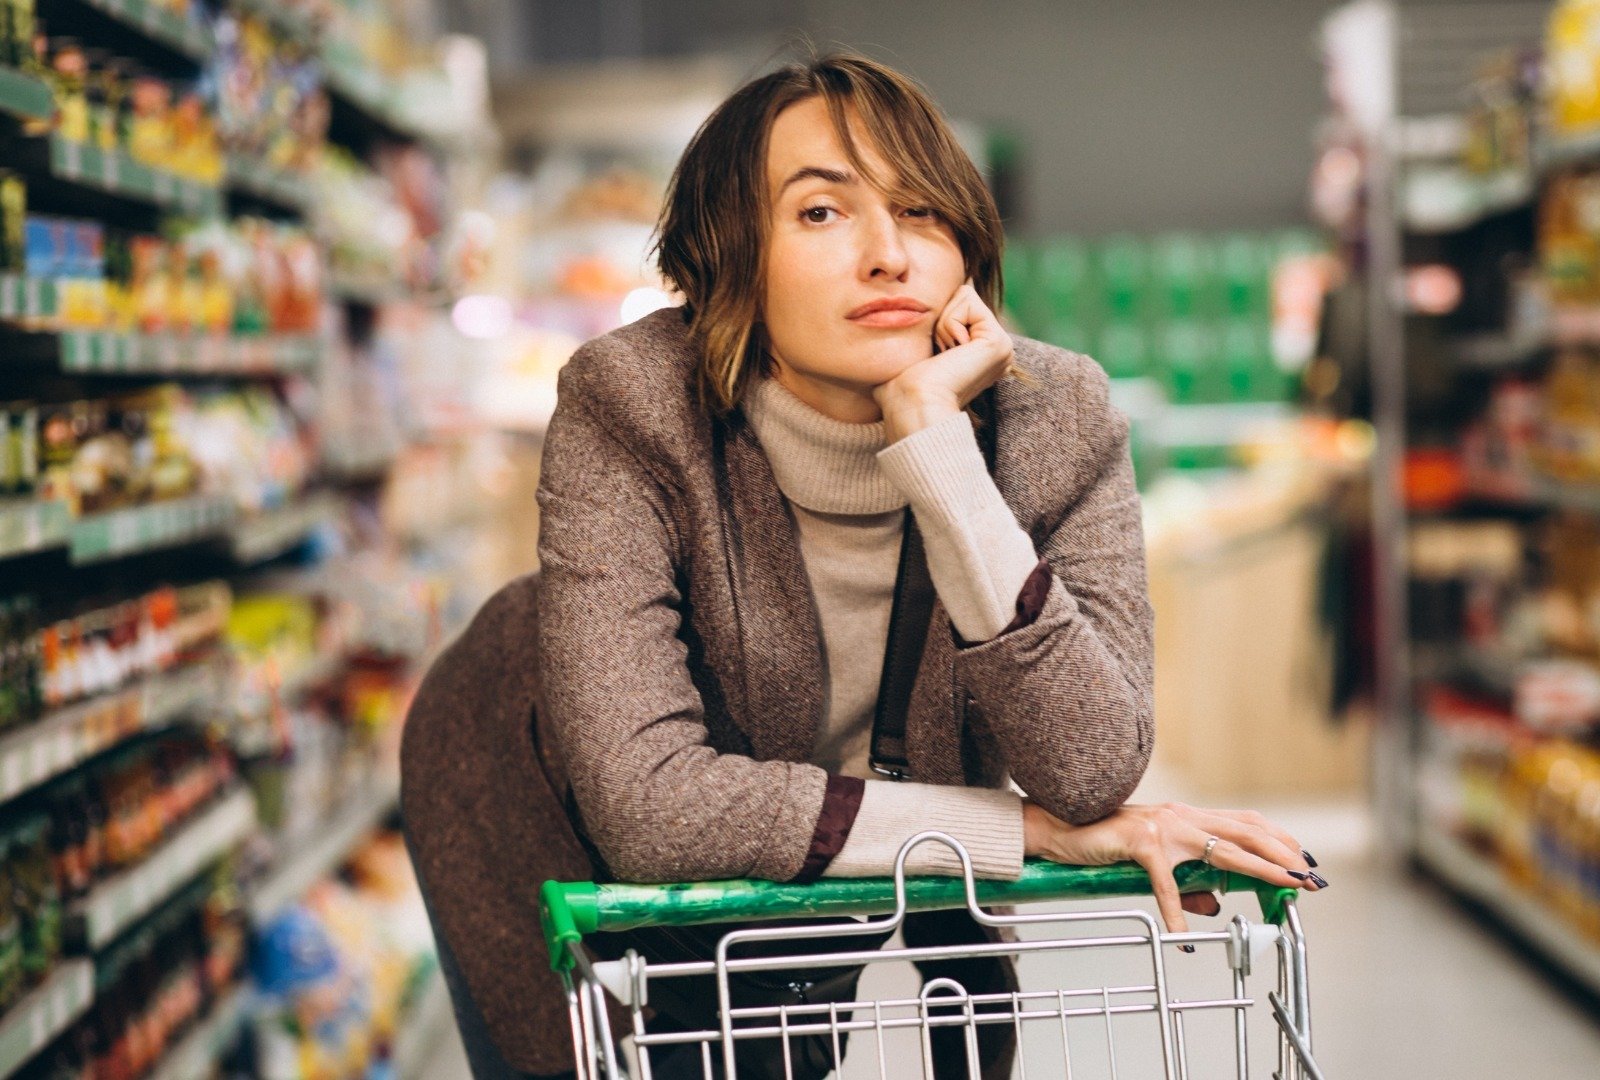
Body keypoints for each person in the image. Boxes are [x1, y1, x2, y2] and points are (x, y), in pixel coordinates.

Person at [400, 50, 1326, 1080]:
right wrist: (1024, 833)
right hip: (529, 785)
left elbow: (1097, 765)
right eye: (820, 214)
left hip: (811, 822)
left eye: (923, 211)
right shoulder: (630, 404)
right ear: (729, 267)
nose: (888, 254)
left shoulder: (1053, 419)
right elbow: (652, 809)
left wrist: (942, 462)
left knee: (786, 1042)